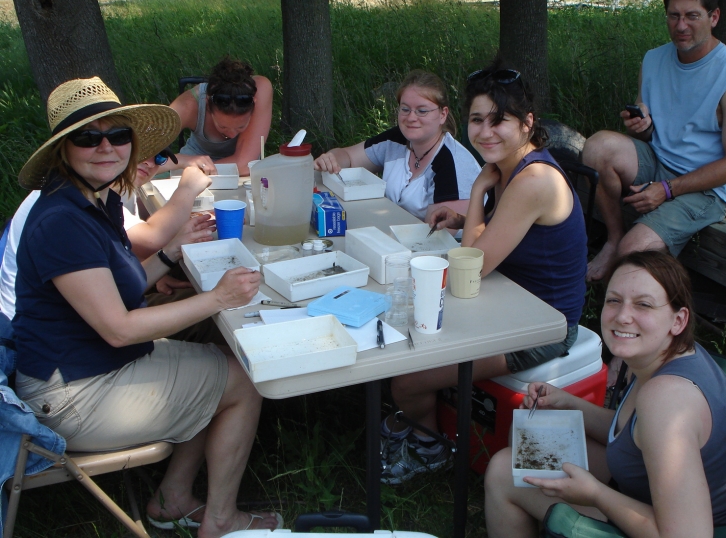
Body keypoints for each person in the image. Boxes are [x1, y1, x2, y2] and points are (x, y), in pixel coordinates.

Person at [12, 77, 281, 536]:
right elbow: (118, 327)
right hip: (73, 395)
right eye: (87, 138)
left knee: (218, 357)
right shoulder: (62, 221)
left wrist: (168, 257)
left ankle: (172, 499)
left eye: (118, 135)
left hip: (89, 367)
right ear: (63, 150)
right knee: (245, 382)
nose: (106, 148)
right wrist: (217, 298)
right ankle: (220, 520)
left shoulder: (92, 199)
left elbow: (115, 285)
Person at [379, 62, 587, 485]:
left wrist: (476, 192)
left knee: (406, 380)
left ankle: (431, 448)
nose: (486, 131)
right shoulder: (512, 168)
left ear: (528, 123)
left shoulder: (532, 180)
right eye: (477, 119)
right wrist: (464, 220)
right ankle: (421, 431)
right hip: (508, 301)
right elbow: (495, 240)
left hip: (542, 326)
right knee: (407, 322)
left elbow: (470, 267)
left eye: (500, 120)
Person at [484, 251, 726, 538]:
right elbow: (632, 431)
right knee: (525, 444)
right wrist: (568, 403)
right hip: (650, 497)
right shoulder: (667, 355)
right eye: (614, 300)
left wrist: (596, 494)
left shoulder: (668, 399)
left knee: (503, 473)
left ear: (678, 319)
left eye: (643, 305)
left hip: (679, 528)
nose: (623, 316)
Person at [583, 0, 726, 282]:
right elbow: (650, 135)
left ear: (714, 16)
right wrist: (641, 128)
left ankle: (653, 292)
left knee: (635, 251)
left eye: (692, 16)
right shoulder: (654, 59)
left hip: (705, 189)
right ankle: (612, 239)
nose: (681, 26)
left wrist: (666, 190)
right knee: (598, 147)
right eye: (674, 16)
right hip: (659, 162)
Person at [0, 150, 215, 322]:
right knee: (210, 319)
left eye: (158, 156)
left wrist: (161, 261)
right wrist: (188, 188)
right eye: (141, 151)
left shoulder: (101, 188)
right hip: (49, 337)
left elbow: (106, 252)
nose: (150, 163)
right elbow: (152, 239)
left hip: (82, 313)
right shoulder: (70, 207)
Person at [314, 70, 481, 222]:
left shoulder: (453, 163)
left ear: (442, 114)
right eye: (405, 109)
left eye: (422, 111)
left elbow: (435, 235)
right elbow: (349, 157)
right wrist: (332, 159)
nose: (411, 118)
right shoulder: (396, 140)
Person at [170, 56, 274, 176]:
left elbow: (244, 164)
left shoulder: (260, 89)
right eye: (222, 127)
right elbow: (148, 150)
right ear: (207, 104)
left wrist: (201, 170)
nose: (232, 134)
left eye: (240, 127)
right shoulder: (188, 105)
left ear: (254, 104)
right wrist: (182, 161)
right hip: (190, 170)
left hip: (223, 174)